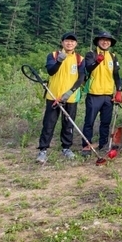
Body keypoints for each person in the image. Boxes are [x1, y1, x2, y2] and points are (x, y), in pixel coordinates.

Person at [36, 32, 86, 163]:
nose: (70, 43)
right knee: (48, 124)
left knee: (68, 124)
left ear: (76, 44)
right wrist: (59, 61)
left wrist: (69, 93)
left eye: (72, 41)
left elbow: (81, 78)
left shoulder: (80, 59)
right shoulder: (53, 55)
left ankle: (66, 148)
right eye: (67, 41)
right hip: (53, 96)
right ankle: (43, 150)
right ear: (62, 42)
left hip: (71, 97)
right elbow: (51, 71)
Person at [81, 31, 122, 156]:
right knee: (89, 121)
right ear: (98, 41)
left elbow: (116, 75)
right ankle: (86, 146)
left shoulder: (113, 56)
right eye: (103, 40)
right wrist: (97, 62)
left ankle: (103, 144)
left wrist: (119, 91)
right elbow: (88, 68)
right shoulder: (91, 54)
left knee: (105, 122)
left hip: (108, 95)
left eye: (108, 40)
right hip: (94, 93)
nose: (105, 42)